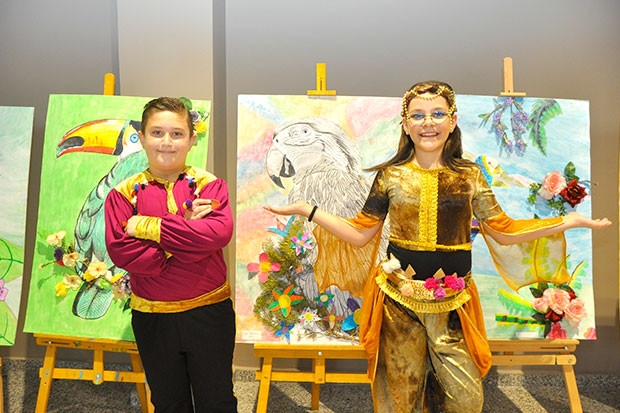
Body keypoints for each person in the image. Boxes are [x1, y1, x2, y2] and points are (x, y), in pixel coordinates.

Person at [264, 81, 611, 412]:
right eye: (417, 115)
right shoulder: (390, 176)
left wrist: (566, 222)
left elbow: (502, 231)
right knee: (403, 397)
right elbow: (359, 233)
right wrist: (306, 210)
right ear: (405, 124)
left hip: (453, 307)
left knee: (465, 400)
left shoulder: (470, 176)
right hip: (399, 305)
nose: (427, 123)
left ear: (452, 120)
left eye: (437, 114)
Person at [105, 97, 237, 412]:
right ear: (142, 137)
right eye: (157, 133)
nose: (167, 142)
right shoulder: (122, 194)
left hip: (209, 313)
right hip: (152, 318)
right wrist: (186, 233)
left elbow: (218, 234)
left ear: (191, 139)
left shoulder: (209, 186)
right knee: (167, 402)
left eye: (177, 134)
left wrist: (145, 226)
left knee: (217, 400)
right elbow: (123, 252)